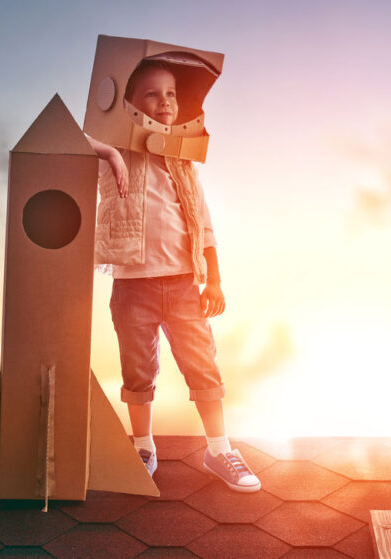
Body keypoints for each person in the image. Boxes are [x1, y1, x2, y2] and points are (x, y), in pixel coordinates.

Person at [86, 60, 260, 493]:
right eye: (152, 94)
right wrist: (106, 150)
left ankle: (219, 449)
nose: (165, 102)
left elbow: (204, 225)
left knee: (203, 366)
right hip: (134, 285)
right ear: (128, 105)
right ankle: (143, 447)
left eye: (171, 94)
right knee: (138, 370)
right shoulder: (116, 152)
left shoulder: (184, 162)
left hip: (183, 283)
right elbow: (66, 140)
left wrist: (214, 280)